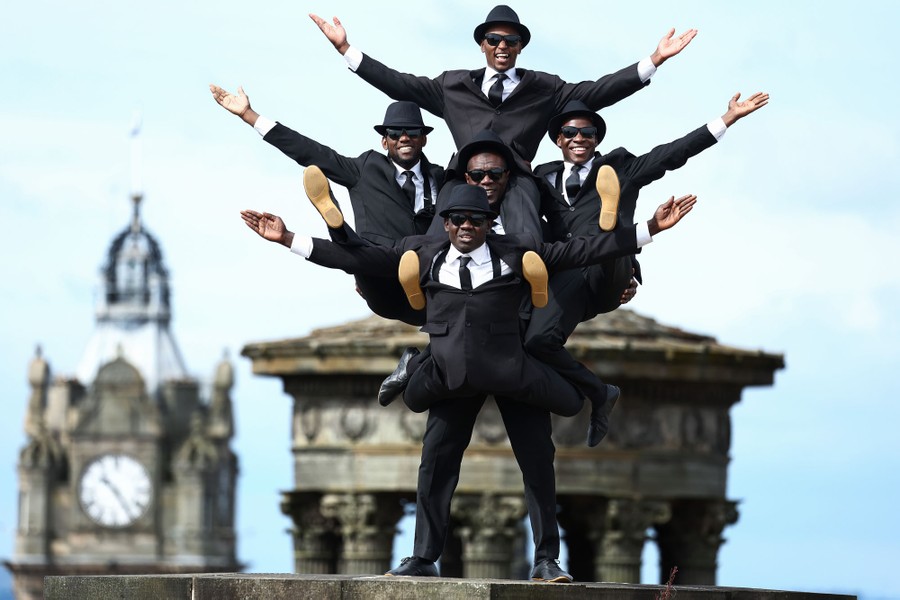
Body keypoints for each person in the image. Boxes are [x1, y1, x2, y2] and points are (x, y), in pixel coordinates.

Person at [240, 173, 696, 581]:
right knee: (435, 466)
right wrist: (289, 239)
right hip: (452, 374)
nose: (464, 227)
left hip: (511, 370)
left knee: (538, 464)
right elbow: (357, 256)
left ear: (487, 221)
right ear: (445, 222)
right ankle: (423, 556)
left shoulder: (521, 254)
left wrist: (650, 230)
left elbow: (585, 249)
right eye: (455, 219)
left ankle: (546, 559)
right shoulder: (421, 253)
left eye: (474, 220)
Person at [524, 93, 769, 439]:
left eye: (588, 133)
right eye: (571, 132)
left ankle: (611, 228)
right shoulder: (540, 178)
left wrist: (726, 119)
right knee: (536, 341)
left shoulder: (620, 168)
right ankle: (600, 393)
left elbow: (672, 154)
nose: (580, 138)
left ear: (597, 139)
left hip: (611, 271)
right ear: (558, 139)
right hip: (571, 278)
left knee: (607, 242)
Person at [309, 5, 696, 167]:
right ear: (482, 44)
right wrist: (346, 48)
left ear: (521, 47)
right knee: (430, 230)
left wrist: (654, 59)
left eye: (511, 41)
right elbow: (400, 84)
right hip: (464, 177)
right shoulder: (452, 86)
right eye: (493, 39)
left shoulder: (546, 87)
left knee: (529, 231)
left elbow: (599, 92)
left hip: (518, 181)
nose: (502, 47)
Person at [209, 84, 445, 324]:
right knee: (357, 252)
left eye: (412, 132)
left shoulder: (441, 179)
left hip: (424, 284)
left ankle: (342, 233)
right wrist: (250, 116)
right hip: (375, 273)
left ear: (423, 139)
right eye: (395, 133)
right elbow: (310, 151)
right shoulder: (365, 169)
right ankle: (335, 223)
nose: (404, 137)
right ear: (385, 142)